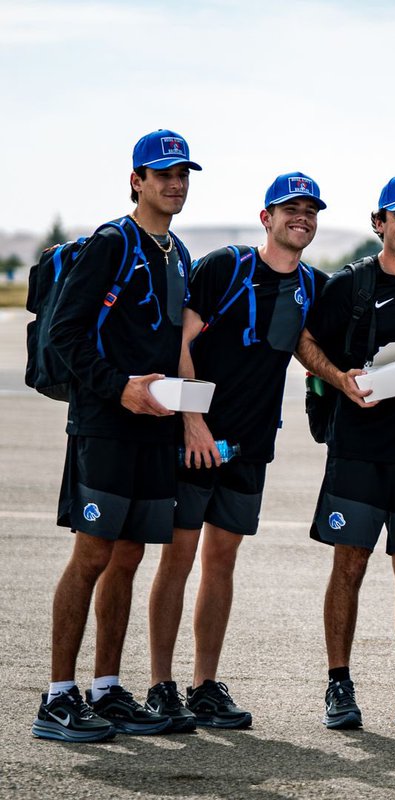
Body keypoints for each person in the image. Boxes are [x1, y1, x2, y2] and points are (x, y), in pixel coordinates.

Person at [144, 172, 328, 732]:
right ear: (266, 216)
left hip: (251, 446)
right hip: (197, 442)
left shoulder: (313, 285)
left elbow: (321, 341)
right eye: (289, 207)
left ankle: (204, 686)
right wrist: (192, 423)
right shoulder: (227, 266)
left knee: (220, 563)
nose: (302, 216)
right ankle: (160, 687)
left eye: (310, 209)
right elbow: (182, 343)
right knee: (177, 558)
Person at [32, 129, 199, 742]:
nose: (174, 185)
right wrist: (120, 386)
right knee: (93, 556)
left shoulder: (175, 252)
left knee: (128, 558)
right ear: (137, 180)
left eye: (183, 175)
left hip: (153, 431)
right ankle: (56, 696)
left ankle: (105, 689)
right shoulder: (112, 243)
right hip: (105, 425)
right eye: (163, 175)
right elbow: (64, 337)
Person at [297, 175, 395, 730]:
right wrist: (340, 379)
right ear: (379, 223)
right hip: (358, 449)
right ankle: (339, 685)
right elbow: (303, 340)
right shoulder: (351, 285)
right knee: (350, 565)